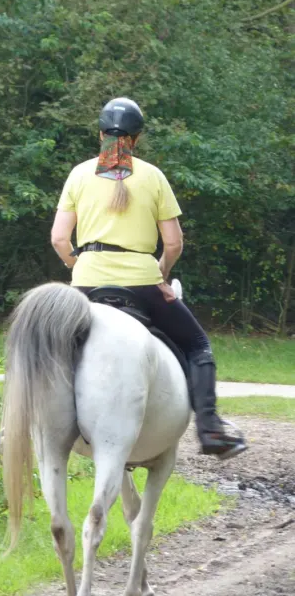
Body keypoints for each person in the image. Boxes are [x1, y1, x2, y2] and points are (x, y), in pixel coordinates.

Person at [50, 96, 247, 460]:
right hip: (141, 283)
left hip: (86, 283)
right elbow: (173, 243)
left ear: (100, 134)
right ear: (137, 139)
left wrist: (77, 265)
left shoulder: (79, 174)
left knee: (44, 349)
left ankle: (14, 429)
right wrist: (161, 275)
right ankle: (211, 429)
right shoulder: (153, 177)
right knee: (198, 347)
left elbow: (60, 239)